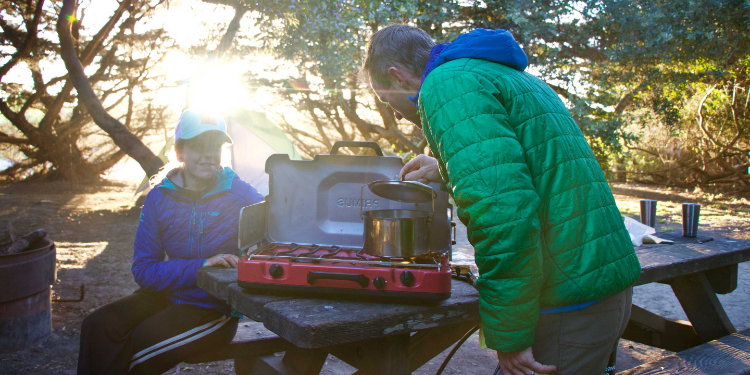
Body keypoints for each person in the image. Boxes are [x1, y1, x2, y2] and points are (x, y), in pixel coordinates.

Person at [364, 25, 641, 375]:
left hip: (566, 299)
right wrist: (446, 167)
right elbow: (531, 168)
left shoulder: (444, 86)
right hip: (598, 280)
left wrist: (509, 334)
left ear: (397, 76)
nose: (397, 114)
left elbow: (503, 216)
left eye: (386, 99)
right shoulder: (498, 73)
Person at [77, 109, 264, 375]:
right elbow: (144, 271)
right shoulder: (159, 198)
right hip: (166, 295)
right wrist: (201, 265)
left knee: (135, 354)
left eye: (214, 146)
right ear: (180, 152)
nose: (208, 154)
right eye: (199, 146)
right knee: (97, 326)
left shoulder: (239, 192)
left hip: (212, 308)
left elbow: (277, 221)